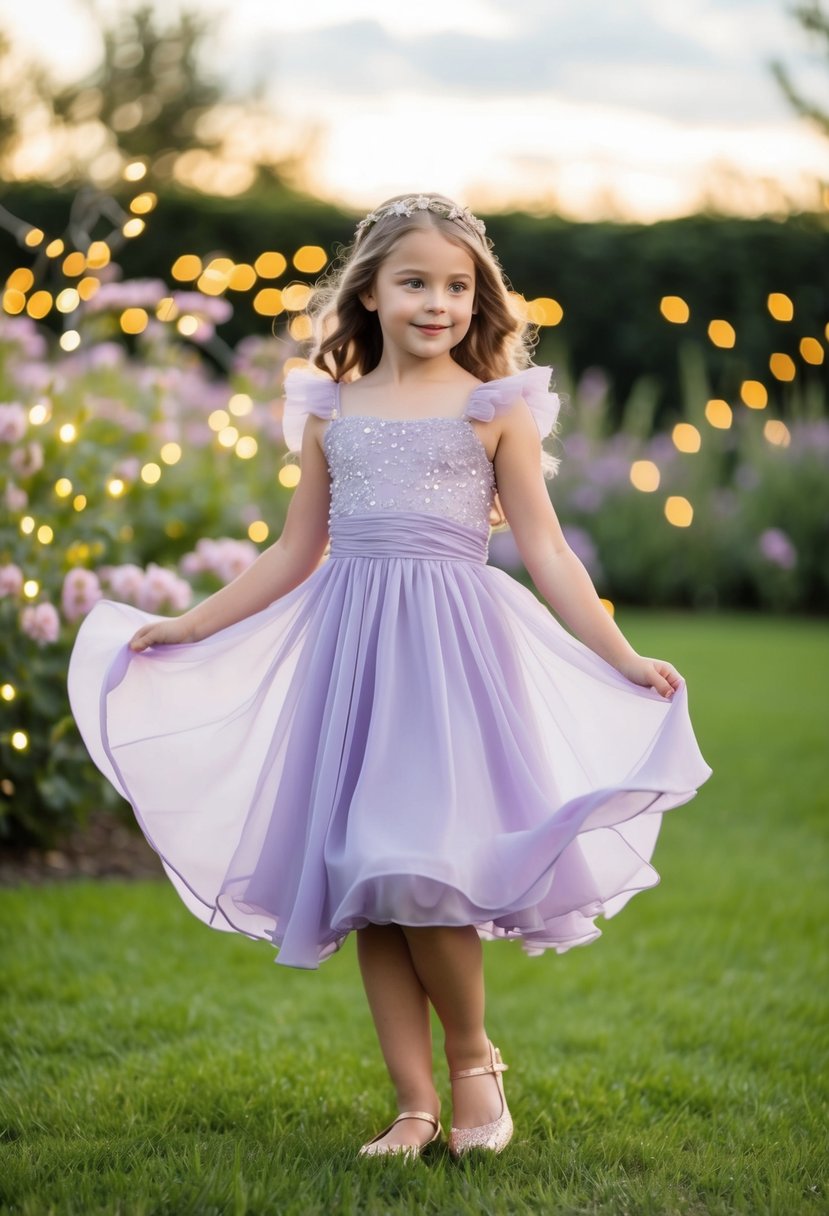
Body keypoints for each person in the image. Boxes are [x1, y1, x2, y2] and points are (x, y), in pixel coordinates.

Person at [68, 192, 711, 1161]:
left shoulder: (495, 409)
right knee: (366, 872)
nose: (437, 303)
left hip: (450, 662)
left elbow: (545, 550)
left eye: (457, 286)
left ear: (476, 300)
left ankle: (471, 1059)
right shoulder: (334, 412)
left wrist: (616, 653)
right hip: (353, 657)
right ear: (368, 291)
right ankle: (413, 1105)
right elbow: (294, 552)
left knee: (425, 868)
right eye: (415, 282)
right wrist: (192, 622)